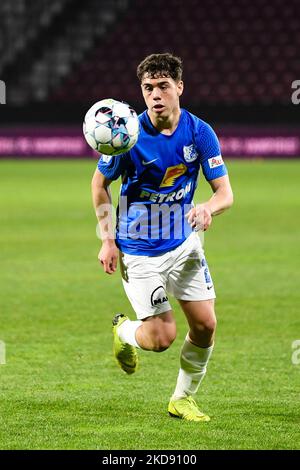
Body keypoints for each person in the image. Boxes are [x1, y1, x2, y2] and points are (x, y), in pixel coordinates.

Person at [91, 53, 233, 422]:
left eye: (163, 86)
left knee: (205, 326)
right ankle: (125, 331)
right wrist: (107, 239)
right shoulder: (128, 136)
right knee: (161, 338)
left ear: (179, 88)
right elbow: (99, 184)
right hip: (139, 252)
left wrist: (207, 208)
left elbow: (224, 194)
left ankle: (181, 400)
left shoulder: (200, 132)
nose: (155, 95)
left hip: (184, 245)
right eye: (148, 88)